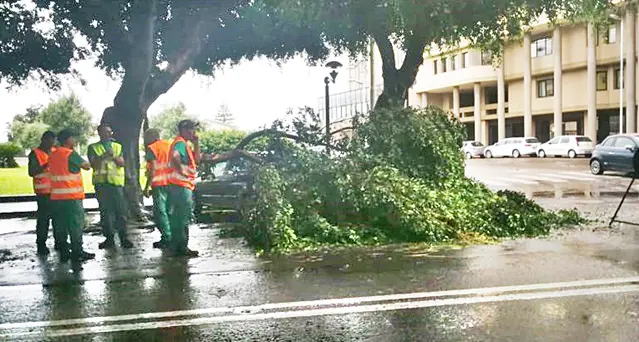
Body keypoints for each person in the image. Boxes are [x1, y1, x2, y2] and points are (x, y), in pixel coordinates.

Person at [49, 129, 95, 262]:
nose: (75, 141)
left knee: (60, 225)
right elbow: (86, 166)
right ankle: (77, 251)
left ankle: (64, 251)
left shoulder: (53, 154)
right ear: (67, 139)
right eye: (73, 138)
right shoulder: (70, 153)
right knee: (75, 224)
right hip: (71, 196)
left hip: (56, 197)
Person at [87, 124, 133, 250]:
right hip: (101, 184)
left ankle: (124, 237)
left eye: (109, 132)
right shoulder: (93, 147)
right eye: (105, 132)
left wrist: (113, 156)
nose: (108, 134)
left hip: (116, 183)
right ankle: (109, 238)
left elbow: (122, 163)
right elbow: (93, 165)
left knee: (121, 211)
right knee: (105, 212)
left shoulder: (117, 146)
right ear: (99, 133)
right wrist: (104, 156)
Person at [167, 120, 207, 257]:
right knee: (182, 217)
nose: (193, 132)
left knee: (179, 217)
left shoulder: (185, 144)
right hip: (181, 185)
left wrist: (196, 143)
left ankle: (177, 246)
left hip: (182, 185)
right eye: (191, 129)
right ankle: (181, 247)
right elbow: (175, 157)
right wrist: (182, 171)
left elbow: (197, 160)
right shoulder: (180, 143)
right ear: (184, 130)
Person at [28, 130, 64, 255]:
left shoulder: (55, 151)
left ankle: (59, 242)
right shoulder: (35, 153)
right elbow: (32, 172)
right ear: (43, 140)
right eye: (50, 141)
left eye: (53, 141)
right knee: (44, 220)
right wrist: (46, 164)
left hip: (57, 191)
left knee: (58, 219)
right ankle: (41, 245)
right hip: (43, 192)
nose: (52, 143)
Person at [143, 128, 172, 249]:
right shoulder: (169, 146)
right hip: (171, 182)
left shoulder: (152, 148)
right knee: (170, 211)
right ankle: (173, 236)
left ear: (151, 137)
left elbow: (153, 169)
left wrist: (146, 187)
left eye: (145, 137)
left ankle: (167, 237)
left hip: (159, 183)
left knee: (160, 213)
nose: (144, 140)